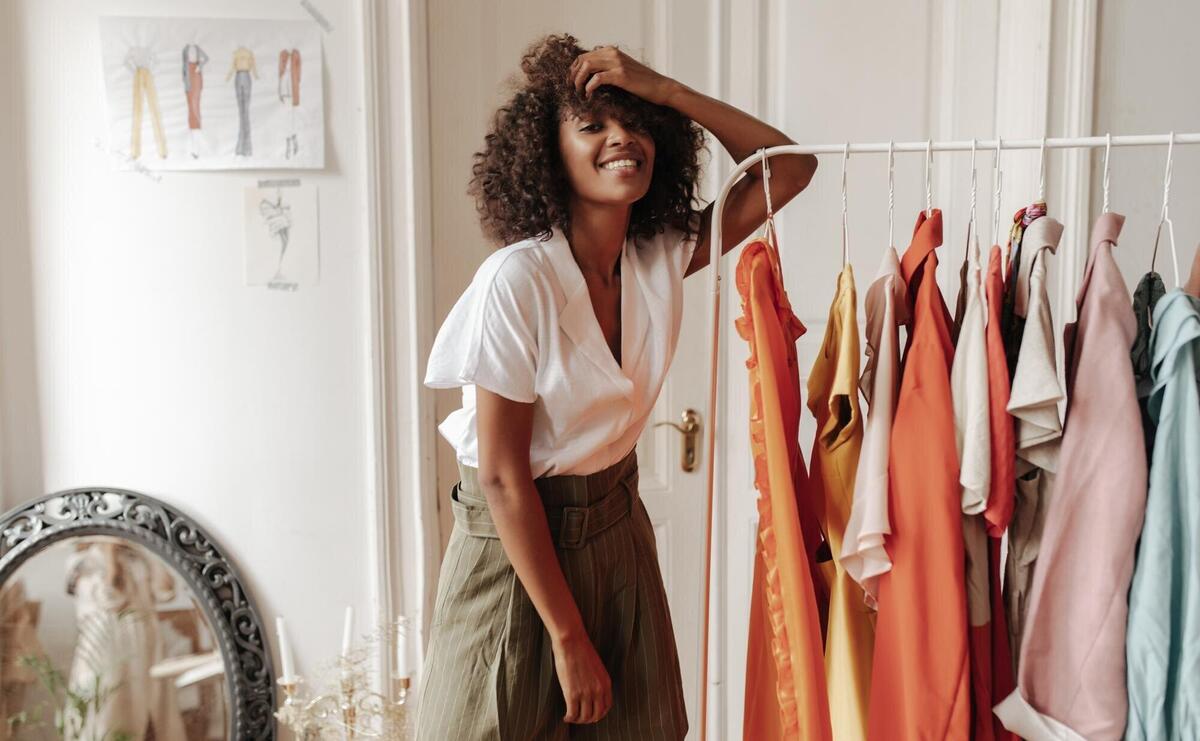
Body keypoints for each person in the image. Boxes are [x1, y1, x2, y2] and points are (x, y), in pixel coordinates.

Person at [418, 33, 817, 740]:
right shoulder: (518, 281)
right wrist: (567, 639)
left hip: (617, 532)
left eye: (636, 122)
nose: (620, 138)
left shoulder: (657, 255)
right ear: (550, 153)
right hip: (513, 554)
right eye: (592, 125)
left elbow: (787, 168)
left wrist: (668, 91)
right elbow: (506, 478)